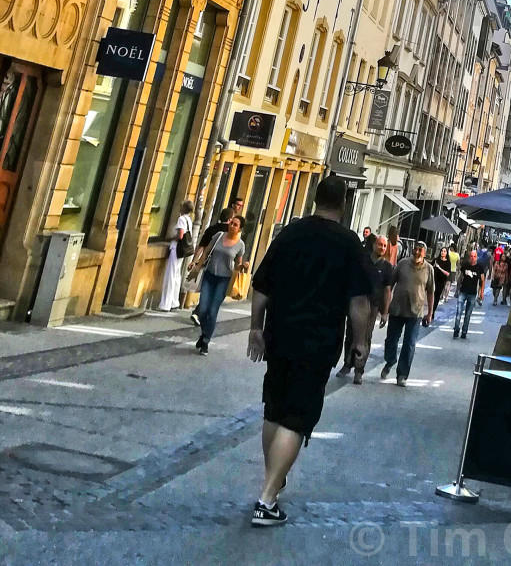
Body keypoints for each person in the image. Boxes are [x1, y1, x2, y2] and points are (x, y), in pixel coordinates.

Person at [248, 175, 377, 526]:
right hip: (318, 341)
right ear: (344, 204)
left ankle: (271, 481)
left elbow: (261, 285)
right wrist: (360, 342)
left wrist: (255, 329)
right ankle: (267, 497)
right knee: (298, 416)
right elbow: (358, 302)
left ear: (315, 198)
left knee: (274, 409)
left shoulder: (290, 233)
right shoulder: (350, 245)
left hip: (280, 334)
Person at [338, 234, 393, 385]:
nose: (381, 248)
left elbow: (388, 291)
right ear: (374, 245)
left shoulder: (387, 267)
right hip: (356, 302)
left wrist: (385, 312)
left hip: (373, 306)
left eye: (384, 246)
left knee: (365, 337)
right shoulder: (363, 261)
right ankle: (347, 364)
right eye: (379, 244)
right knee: (351, 333)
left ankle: (359, 370)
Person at [381, 240, 435, 386]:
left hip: (415, 312)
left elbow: (430, 292)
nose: (417, 252)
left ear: (425, 253)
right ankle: (390, 360)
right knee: (391, 340)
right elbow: (390, 285)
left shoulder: (429, 269)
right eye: (415, 249)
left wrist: (429, 313)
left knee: (409, 344)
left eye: (420, 250)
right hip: (397, 309)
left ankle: (402, 375)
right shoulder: (402, 264)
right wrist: (385, 309)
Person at [191, 214, 245, 353]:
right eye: (231, 223)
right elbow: (206, 252)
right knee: (203, 309)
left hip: (224, 279)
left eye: (235, 225)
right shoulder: (219, 236)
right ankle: (204, 333)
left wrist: (243, 266)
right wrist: (197, 266)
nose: (231, 226)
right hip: (209, 276)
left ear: (240, 229)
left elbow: (237, 266)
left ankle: (206, 341)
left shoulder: (240, 245)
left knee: (212, 311)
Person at [159, 198, 193, 311]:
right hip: (182, 251)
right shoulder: (189, 220)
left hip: (176, 248)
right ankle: (174, 302)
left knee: (171, 275)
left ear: (183, 208)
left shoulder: (181, 219)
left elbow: (181, 235)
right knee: (177, 275)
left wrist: (171, 238)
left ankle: (165, 304)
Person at [453, 250, 483, 339]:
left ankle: (464, 331)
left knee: (468, 314)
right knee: (458, 312)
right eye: (471, 256)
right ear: (469, 257)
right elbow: (460, 278)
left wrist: (481, 292)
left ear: (476, 257)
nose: (473, 258)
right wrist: (457, 289)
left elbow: (482, 280)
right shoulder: (465, 266)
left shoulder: (479, 268)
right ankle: (456, 329)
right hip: (463, 291)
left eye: (474, 256)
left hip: (472, 294)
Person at [433, 245, 453, 309]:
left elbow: (447, 273)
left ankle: (433, 311)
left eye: (444, 251)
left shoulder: (448, 262)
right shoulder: (436, 260)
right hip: (433, 280)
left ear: (446, 253)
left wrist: (439, 268)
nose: (442, 252)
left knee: (437, 297)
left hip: (441, 282)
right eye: (442, 251)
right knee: (431, 296)